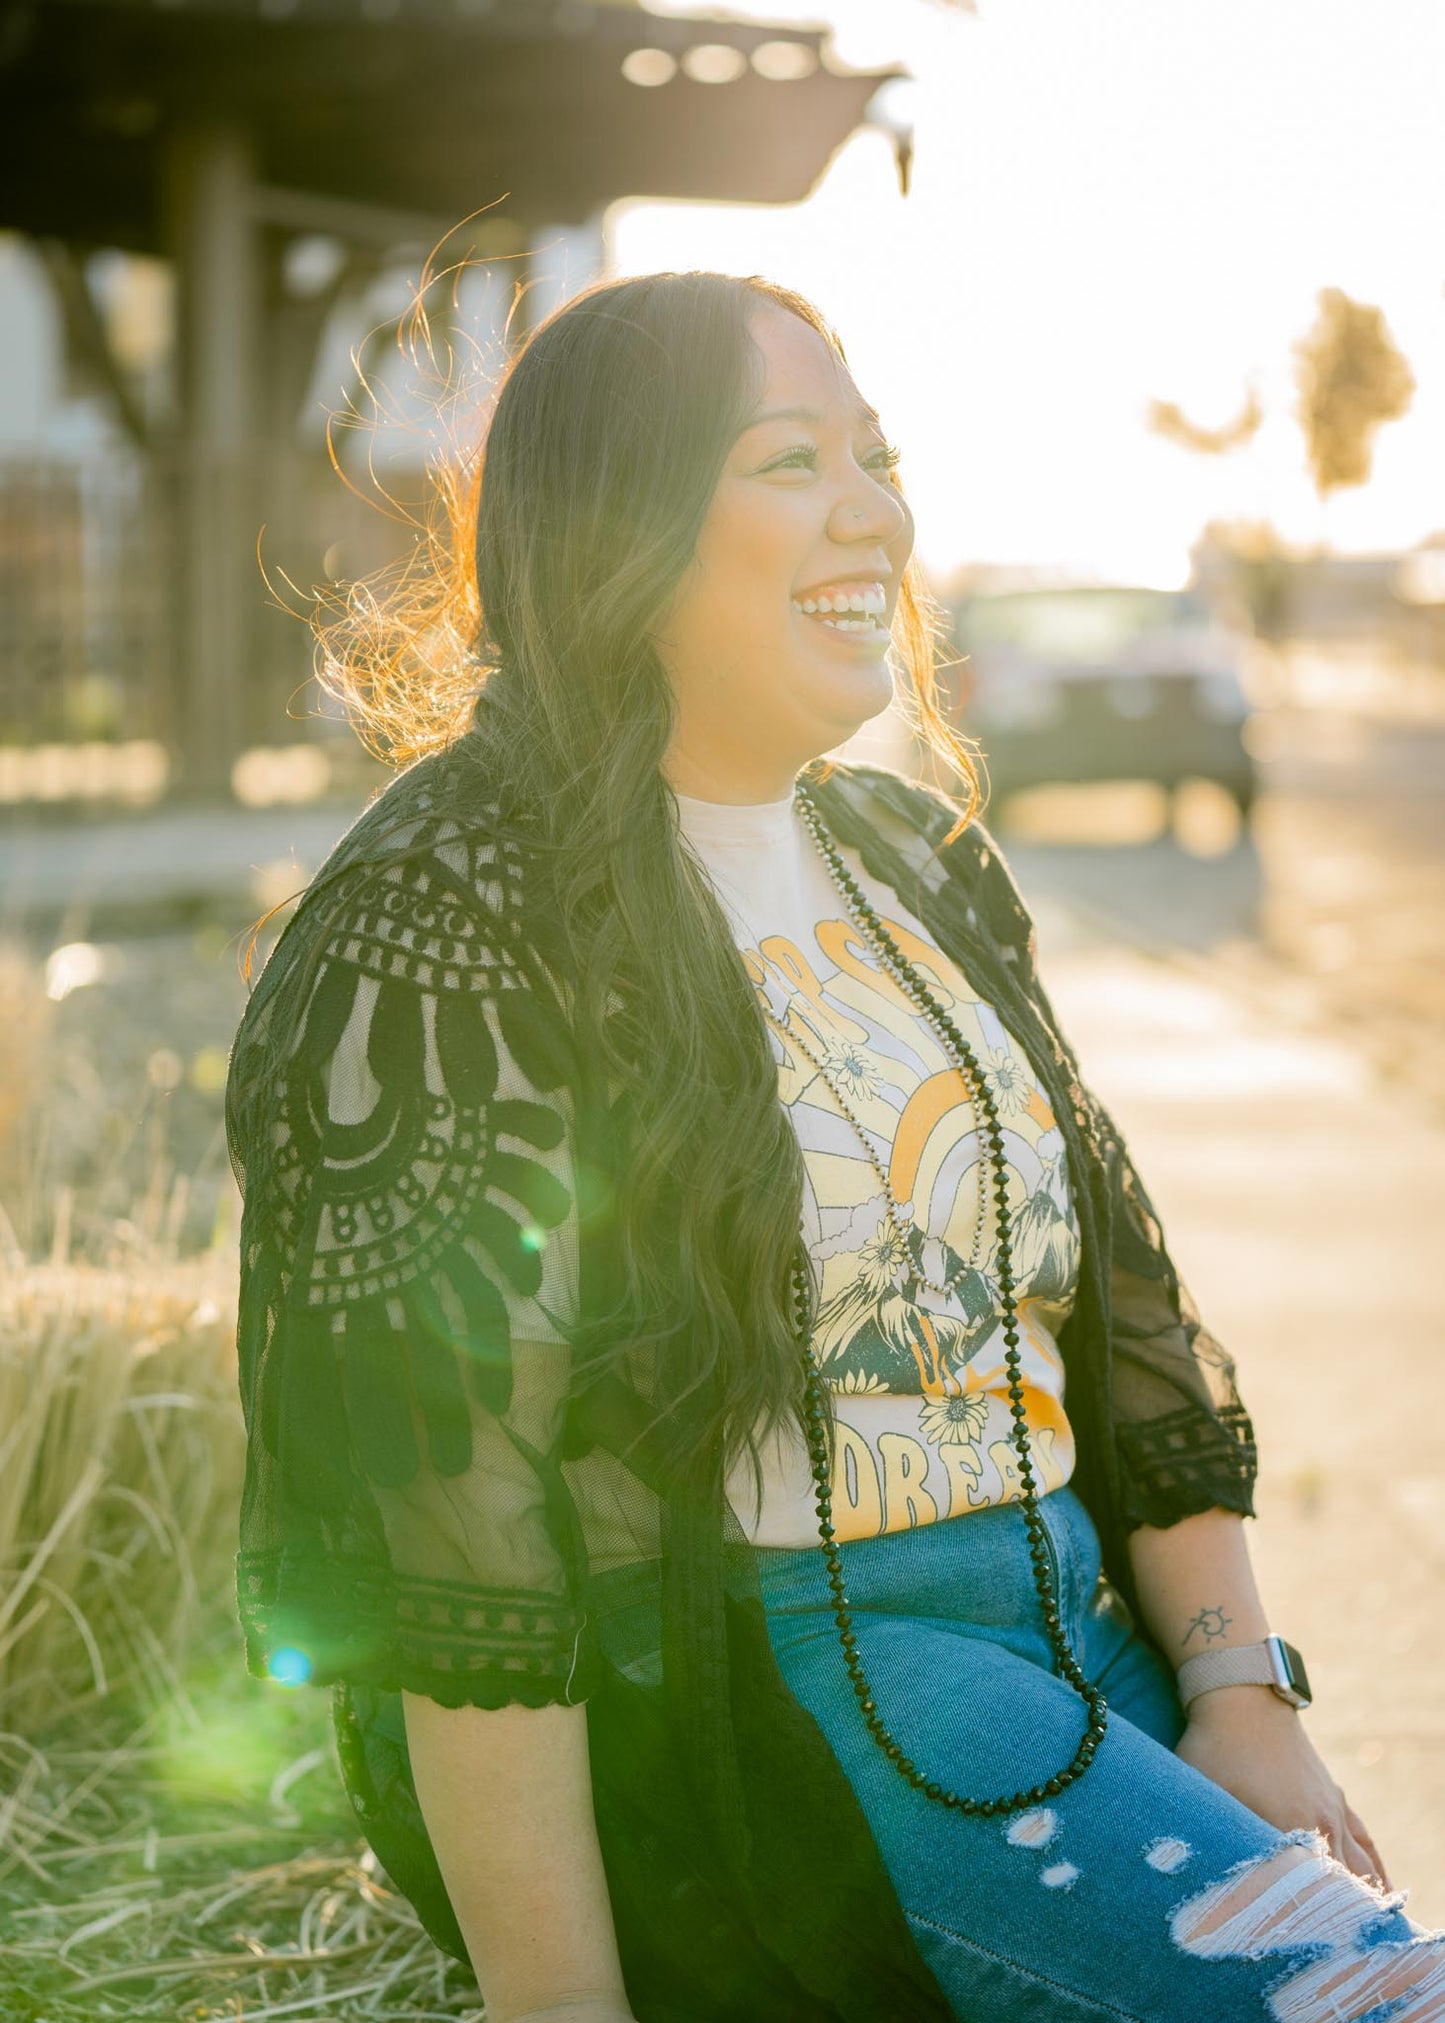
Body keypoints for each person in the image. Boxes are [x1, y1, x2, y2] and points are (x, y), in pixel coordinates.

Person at [226, 271, 1443, 2023]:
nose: (875, 509)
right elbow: (460, 1561)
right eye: (791, 461)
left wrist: (1239, 1686)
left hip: (1088, 1631)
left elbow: (1119, 1313)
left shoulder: (914, 858)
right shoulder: (443, 918)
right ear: (618, 531)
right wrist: (560, 2006)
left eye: (876, 456)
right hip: (802, 1688)